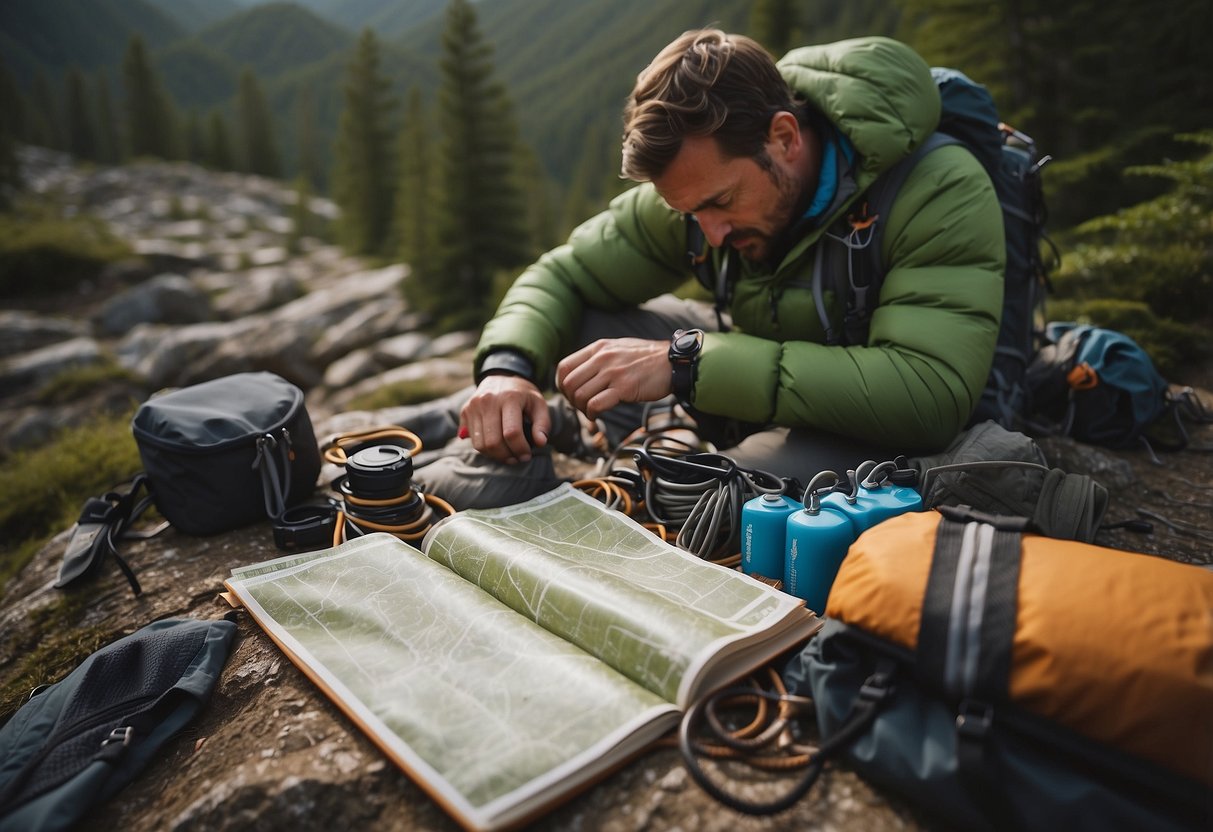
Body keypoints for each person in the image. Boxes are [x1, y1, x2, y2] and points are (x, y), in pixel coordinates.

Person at [415, 30, 1005, 510]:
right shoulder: (701, 187)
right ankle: (629, 442)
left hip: (884, 425)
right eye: (688, 212)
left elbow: (930, 392)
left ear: (784, 137)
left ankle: (675, 459)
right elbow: (565, 274)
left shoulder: (937, 187)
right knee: (589, 322)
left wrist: (687, 363)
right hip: (765, 369)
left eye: (720, 204)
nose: (709, 232)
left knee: (705, 502)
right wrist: (507, 371)